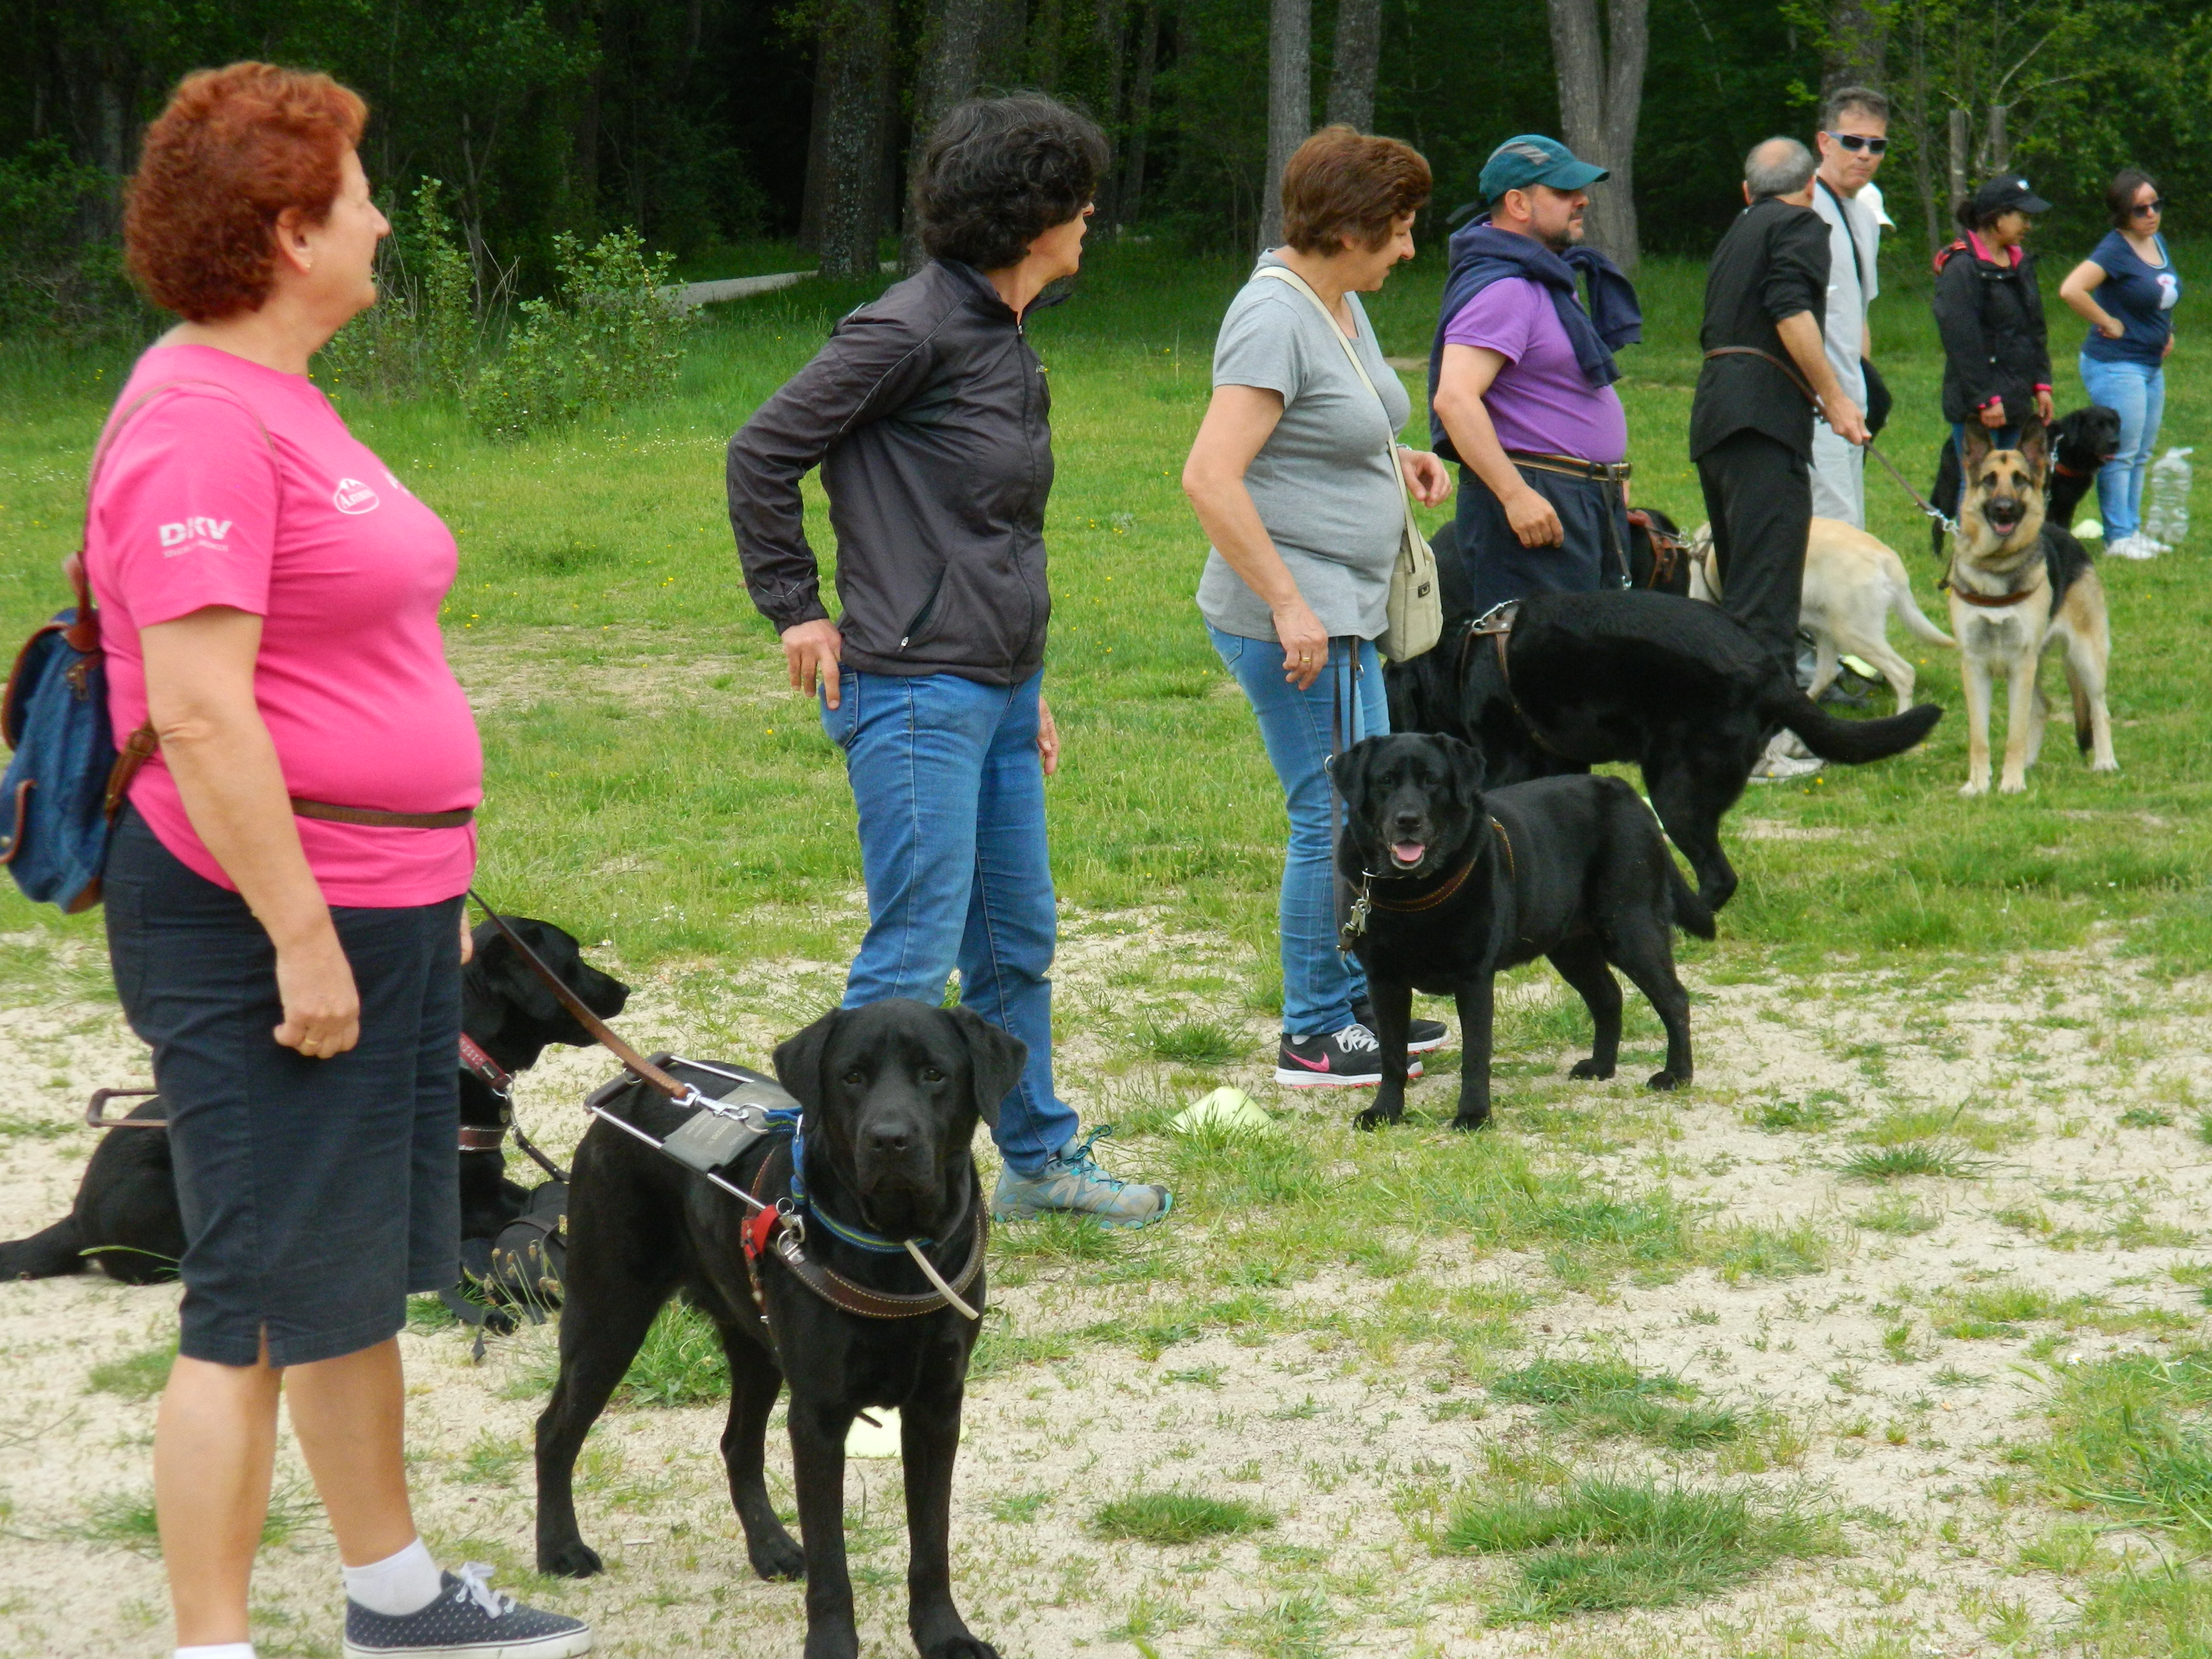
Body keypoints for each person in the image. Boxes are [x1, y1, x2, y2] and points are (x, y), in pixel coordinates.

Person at [94, 63, 588, 1659]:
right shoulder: (192, 424)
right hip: (257, 925)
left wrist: (416, 897)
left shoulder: (282, 392)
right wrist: (302, 932)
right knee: (245, 1295)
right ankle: (210, 1644)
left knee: (355, 1266)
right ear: (293, 232)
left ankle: (392, 1593)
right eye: (362, 195)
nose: (383, 216)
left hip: (370, 906)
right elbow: (199, 716)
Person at [727, 95, 1167, 1227]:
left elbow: (987, 534)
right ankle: (830, 1206)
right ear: (1036, 220)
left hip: (995, 688)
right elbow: (762, 452)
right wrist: (797, 609)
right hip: (914, 690)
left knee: (1016, 942)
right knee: (912, 959)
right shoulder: (907, 329)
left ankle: (1036, 1161)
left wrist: (1030, 686)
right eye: (1079, 201)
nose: (1089, 218)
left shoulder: (1002, 333)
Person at [1183, 125, 1453, 1087]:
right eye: (1401, 227)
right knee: (1326, 817)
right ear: (1348, 226)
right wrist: (1290, 604)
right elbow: (1212, 478)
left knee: (1365, 813)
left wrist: (1401, 459)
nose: (1410, 248)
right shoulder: (1274, 316)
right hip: (1298, 625)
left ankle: (1352, 1002)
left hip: (1348, 612)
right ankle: (1311, 1031)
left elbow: (1345, 417)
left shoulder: (1336, 301)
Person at [1689, 137, 1869, 784]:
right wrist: (1838, 399)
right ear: (1813, 186)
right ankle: (1760, 749)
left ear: (1747, 192)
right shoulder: (1800, 224)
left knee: (1741, 590)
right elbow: (1791, 311)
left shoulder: (1738, 230)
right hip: (1763, 420)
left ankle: (1728, 735)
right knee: (1767, 597)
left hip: (1716, 417)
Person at [1428, 134, 1642, 613]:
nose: (1582, 200)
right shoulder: (1506, 288)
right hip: (1539, 501)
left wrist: (1603, 477)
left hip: (1577, 498)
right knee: (1546, 671)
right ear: (1518, 203)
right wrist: (1515, 495)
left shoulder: (1543, 279)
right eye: (1564, 192)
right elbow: (1455, 398)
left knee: (1587, 660)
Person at [2060, 168, 2182, 558]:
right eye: (2139, 209)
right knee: (2120, 450)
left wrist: (2168, 330)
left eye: (2155, 205)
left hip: (2149, 363)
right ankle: (2118, 536)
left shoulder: (2156, 241)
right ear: (2122, 214)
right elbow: (2071, 288)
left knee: (2142, 451)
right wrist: (2106, 321)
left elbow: (2158, 295)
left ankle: (2132, 528)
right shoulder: (2116, 248)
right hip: (2117, 364)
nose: (2150, 214)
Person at [1933, 173, 2054, 497]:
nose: (2028, 226)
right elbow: (1961, 340)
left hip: (2017, 395)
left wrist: (2042, 384)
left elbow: (2034, 330)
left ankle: (2010, 547)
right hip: (1979, 401)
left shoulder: (2020, 264)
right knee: (1976, 481)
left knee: (2015, 478)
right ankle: (1971, 547)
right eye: (2022, 217)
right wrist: (1985, 399)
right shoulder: (1962, 267)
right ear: (1996, 217)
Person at [1808, 87, 1889, 527]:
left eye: (1876, 145)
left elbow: (1857, 316)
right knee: (1833, 530)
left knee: (1852, 523)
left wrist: (1862, 390)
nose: (1865, 154)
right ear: (1825, 142)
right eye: (1853, 141)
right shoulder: (1802, 208)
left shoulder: (1865, 216)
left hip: (1850, 404)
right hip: (1811, 401)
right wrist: (1830, 395)